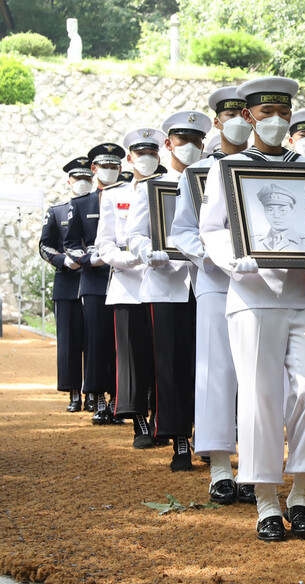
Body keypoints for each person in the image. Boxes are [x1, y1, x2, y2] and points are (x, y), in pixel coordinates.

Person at [199, 76, 305, 543]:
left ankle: (302, 494)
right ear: (248, 116)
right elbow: (211, 227)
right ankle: (267, 502)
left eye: (283, 114)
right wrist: (231, 259)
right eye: (266, 114)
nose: (275, 122)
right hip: (252, 293)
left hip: (303, 293)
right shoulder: (228, 167)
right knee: (259, 398)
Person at [170, 86, 255, 504]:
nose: (240, 120)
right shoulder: (198, 172)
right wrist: (217, 255)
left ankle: (256, 467)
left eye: (246, 113)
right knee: (216, 371)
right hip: (215, 281)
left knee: (259, 376)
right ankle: (221, 466)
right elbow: (182, 230)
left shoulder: (271, 168)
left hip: (262, 283)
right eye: (231, 114)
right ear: (218, 123)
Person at [126, 111, 207, 471]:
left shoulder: (212, 184)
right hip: (166, 284)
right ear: (168, 144)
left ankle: (208, 434)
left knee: (204, 363)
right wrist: (149, 252)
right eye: (181, 140)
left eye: (195, 140)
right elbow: (134, 235)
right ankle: (178, 440)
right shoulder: (151, 187)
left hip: (204, 282)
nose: (189, 146)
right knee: (170, 364)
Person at [97, 129, 164, 445]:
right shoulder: (113, 195)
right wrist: (130, 260)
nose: (147, 159)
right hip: (127, 284)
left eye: (152, 153)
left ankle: (160, 418)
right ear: (130, 158)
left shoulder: (169, 189)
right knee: (132, 356)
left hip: (162, 283)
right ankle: (138, 419)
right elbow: (104, 244)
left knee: (160, 353)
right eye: (141, 153)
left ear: (159, 156)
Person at [63, 143, 120, 424]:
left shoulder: (128, 197)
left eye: (115, 166)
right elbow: (70, 244)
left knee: (121, 342)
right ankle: (97, 397)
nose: (110, 171)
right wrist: (89, 259)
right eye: (104, 166)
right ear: (94, 169)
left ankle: (118, 398)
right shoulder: (80, 204)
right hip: (95, 281)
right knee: (96, 341)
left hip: (124, 276)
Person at [39, 157, 90, 413]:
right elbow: (44, 245)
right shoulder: (57, 211)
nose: (83, 183)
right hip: (68, 284)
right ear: (69, 182)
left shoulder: (100, 208)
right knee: (69, 343)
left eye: (87, 179)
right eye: (78, 179)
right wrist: (63, 261)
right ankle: (73, 392)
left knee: (95, 340)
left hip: (94, 281)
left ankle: (94, 392)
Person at [252, 183, 305, 252]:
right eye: (270, 210)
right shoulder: (253, 242)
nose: (276, 216)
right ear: (264, 211)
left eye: (282, 210)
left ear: (293, 211)